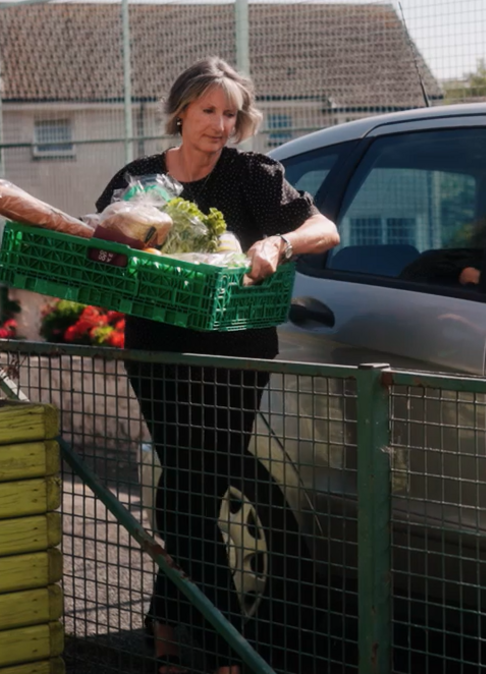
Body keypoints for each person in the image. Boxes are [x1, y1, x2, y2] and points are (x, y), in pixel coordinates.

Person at [95, 57, 339, 674]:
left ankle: (171, 629)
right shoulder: (139, 179)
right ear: (181, 111)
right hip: (159, 349)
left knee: (196, 484)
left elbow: (326, 229)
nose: (221, 124)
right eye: (209, 110)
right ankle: (228, 644)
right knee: (189, 479)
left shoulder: (254, 176)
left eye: (231, 113)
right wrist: (119, 242)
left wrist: (279, 241)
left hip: (237, 351)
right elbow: (99, 243)